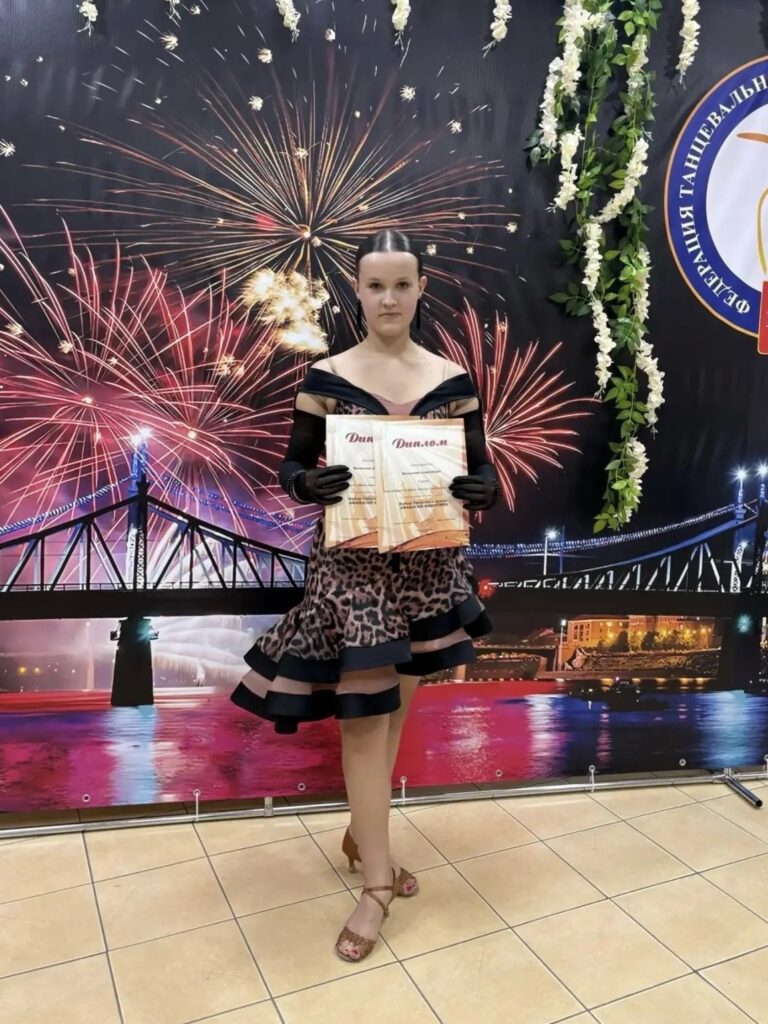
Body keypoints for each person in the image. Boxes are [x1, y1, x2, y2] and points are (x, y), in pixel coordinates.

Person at [231, 229, 499, 962]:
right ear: (357, 289)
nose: (388, 298)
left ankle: (360, 837)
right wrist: (306, 483)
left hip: (427, 569)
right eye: (375, 285)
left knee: (396, 716)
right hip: (352, 576)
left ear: (420, 289)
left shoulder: (453, 378)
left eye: (401, 284)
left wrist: (484, 488)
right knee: (363, 723)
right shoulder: (326, 375)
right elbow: (291, 465)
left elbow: (481, 468)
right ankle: (376, 883)